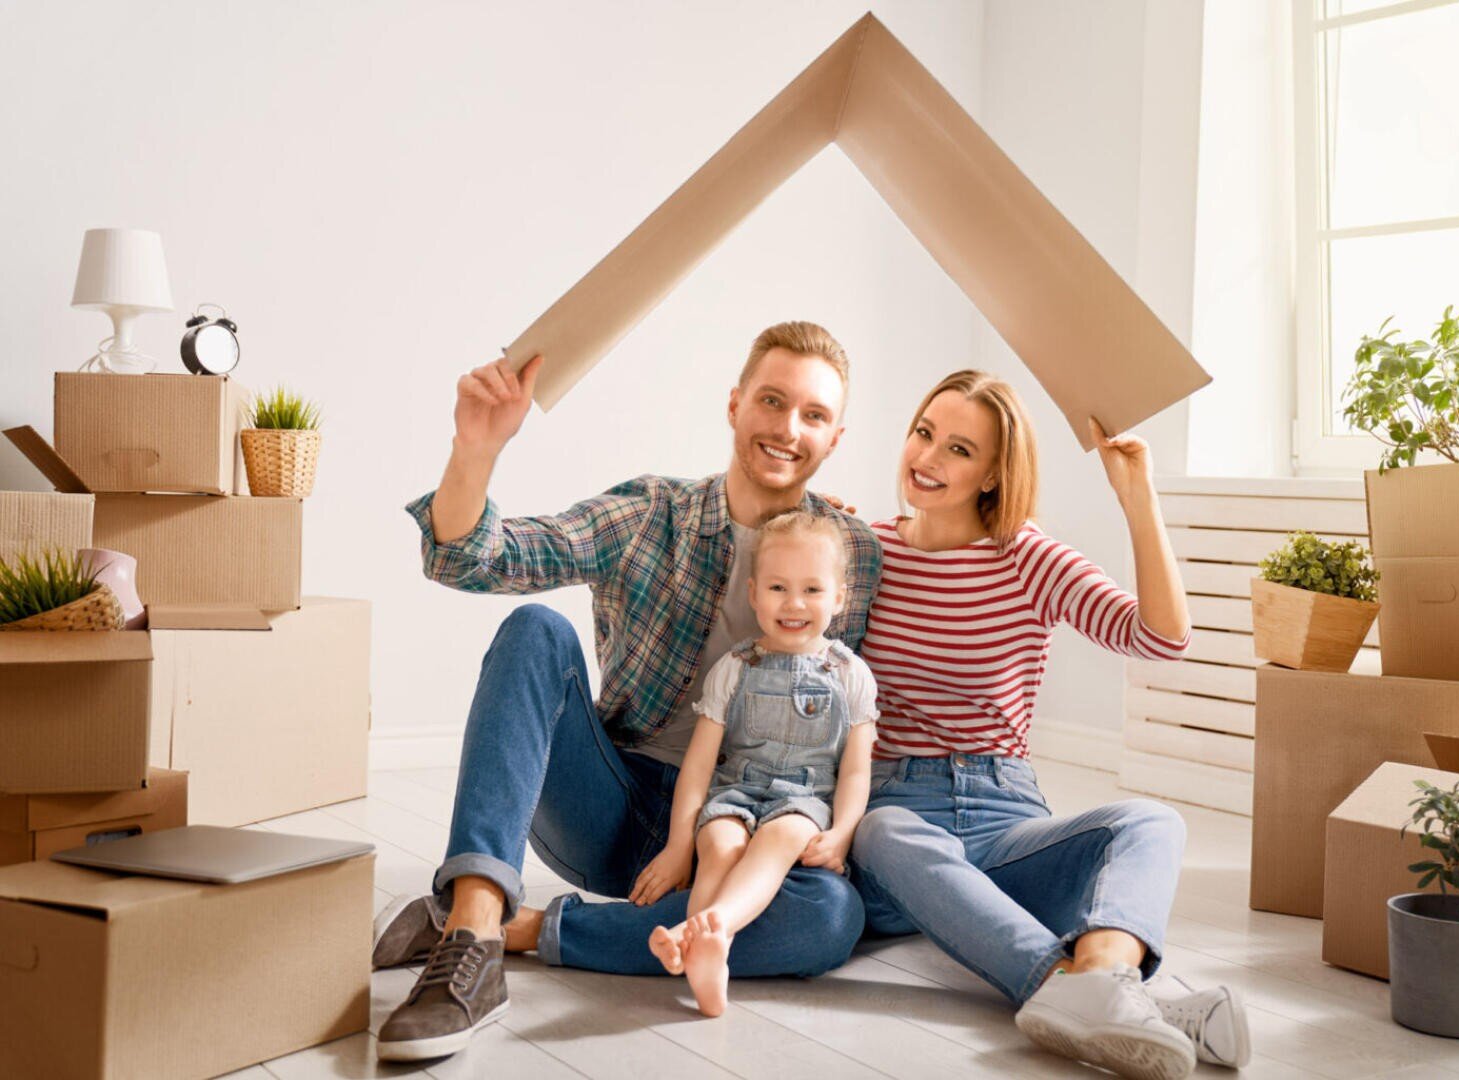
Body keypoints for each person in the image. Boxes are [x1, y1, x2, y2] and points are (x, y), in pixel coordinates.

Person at [372, 322, 881, 1062]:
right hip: (614, 807)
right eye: (771, 401)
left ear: (834, 439)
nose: (787, 428)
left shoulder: (855, 554)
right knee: (536, 628)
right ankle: (475, 929)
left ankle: (523, 929)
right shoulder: (652, 513)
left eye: (813, 415)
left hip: (749, 831)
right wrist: (475, 449)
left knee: (831, 918)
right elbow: (474, 559)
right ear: (735, 405)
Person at [849, 370, 1251, 1080]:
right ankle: (1105, 998)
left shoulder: (1026, 557)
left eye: (959, 449)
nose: (928, 458)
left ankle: (1099, 982)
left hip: (1007, 818)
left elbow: (1160, 639)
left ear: (994, 474)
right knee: (883, 830)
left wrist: (1138, 498)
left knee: (1153, 823)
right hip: (896, 821)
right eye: (923, 433)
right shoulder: (862, 550)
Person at [636, 510, 878, 1017]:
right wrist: (682, 844)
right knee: (721, 845)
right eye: (777, 588)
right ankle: (709, 953)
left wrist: (843, 833)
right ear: (753, 593)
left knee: (780, 838)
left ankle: (704, 930)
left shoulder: (851, 674)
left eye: (812, 590)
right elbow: (699, 766)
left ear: (840, 598)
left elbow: (856, 771)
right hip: (736, 792)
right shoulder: (734, 668)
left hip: (803, 799)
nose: (793, 603)